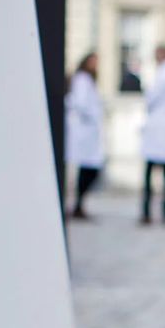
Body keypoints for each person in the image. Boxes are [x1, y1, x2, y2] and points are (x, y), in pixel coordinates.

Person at [139, 44, 165, 224]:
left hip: (159, 128)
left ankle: (148, 212)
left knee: (151, 173)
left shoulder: (164, 74)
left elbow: (151, 99)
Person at [64, 52, 104, 221]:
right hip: (83, 130)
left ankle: (79, 205)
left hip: (88, 132)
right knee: (88, 169)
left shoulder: (88, 80)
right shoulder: (82, 79)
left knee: (88, 170)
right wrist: (91, 116)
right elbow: (79, 103)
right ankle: (77, 205)